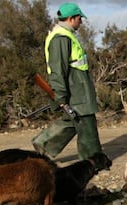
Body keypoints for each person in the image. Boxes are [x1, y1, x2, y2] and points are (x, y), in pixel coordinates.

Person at [32, 2, 102, 160]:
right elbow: (58, 70)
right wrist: (61, 95)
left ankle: (44, 144)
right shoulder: (61, 39)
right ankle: (93, 161)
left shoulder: (66, 36)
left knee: (71, 120)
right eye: (79, 18)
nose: (81, 22)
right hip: (76, 92)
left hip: (78, 90)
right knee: (87, 125)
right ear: (70, 19)